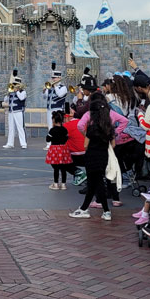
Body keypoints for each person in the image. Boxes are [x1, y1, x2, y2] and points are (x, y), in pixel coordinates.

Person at [70, 93, 116, 221]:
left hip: (91, 157)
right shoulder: (108, 128)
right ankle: (87, 208)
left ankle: (100, 210)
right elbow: (113, 144)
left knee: (94, 183)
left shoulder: (91, 128)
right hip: (103, 156)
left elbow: (85, 145)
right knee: (96, 183)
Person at [45, 110, 72, 189]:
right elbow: (67, 138)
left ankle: (55, 183)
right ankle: (63, 184)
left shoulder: (52, 130)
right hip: (63, 149)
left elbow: (47, 139)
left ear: (54, 120)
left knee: (56, 167)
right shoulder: (64, 130)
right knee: (63, 167)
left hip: (54, 150)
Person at [44, 63, 69, 146]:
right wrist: (44, 90)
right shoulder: (50, 87)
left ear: (59, 78)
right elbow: (45, 97)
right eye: (52, 78)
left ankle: (58, 142)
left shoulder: (63, 87)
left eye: (54, 78)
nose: (53, 79)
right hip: (49, 109)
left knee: (58, 127)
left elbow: (59, 94)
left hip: (57, 109)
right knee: (50, 126)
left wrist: (54, 86)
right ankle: (49, 143)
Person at [3, 72, 27, 149]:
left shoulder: (23, 92)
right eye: (13, 84)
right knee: (11, 128)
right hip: (11, 112)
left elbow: (21, 98)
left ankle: (23, 143)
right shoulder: (11, 92)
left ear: (19, 85)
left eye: (15, 84)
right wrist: (7, 93)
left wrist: (16, 91)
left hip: (18, 111)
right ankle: (10, 143)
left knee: (20, 127)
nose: (14, 86)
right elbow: (5, 100)